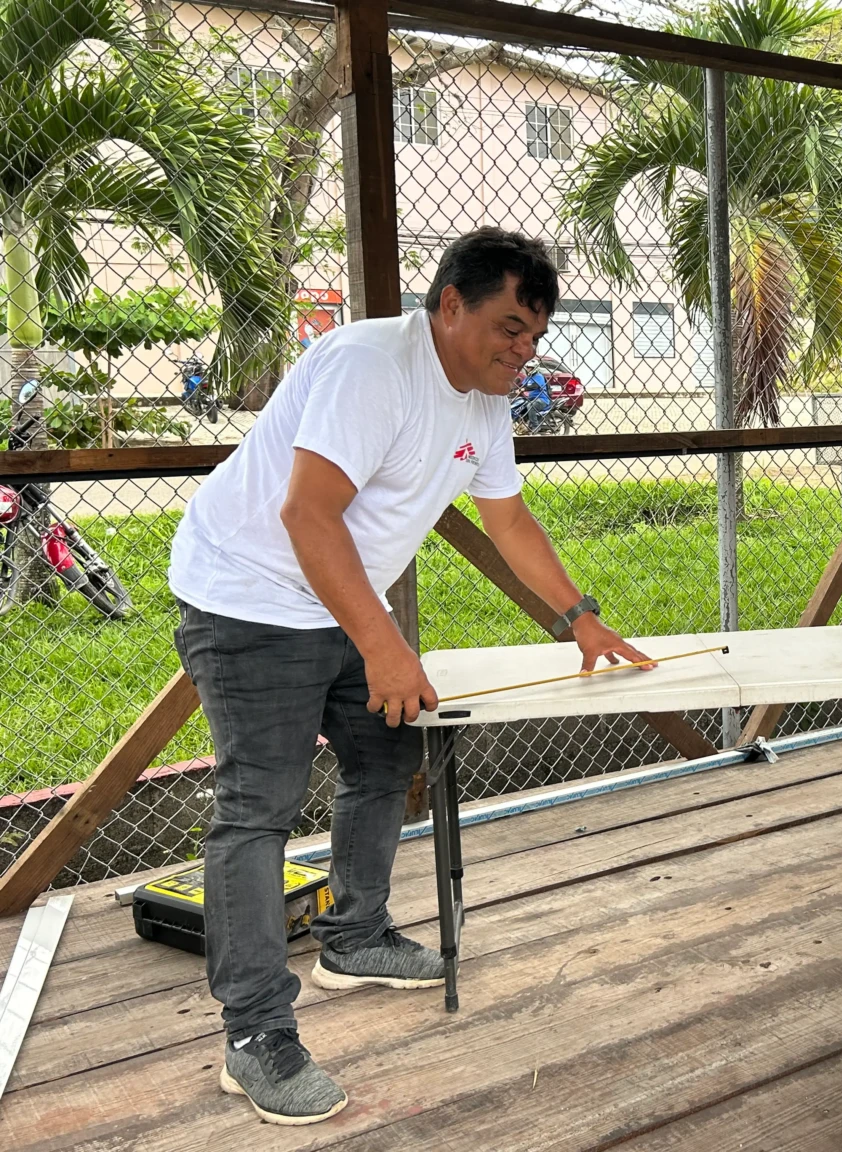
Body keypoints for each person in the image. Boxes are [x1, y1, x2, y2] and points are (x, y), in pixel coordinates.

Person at [167, 227, 652, 1126]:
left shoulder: (486, 397)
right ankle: (254, 1035)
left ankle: (353, 938)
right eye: (509, 327)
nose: (524, 351)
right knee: (258, 809)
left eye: (537, 335)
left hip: (341, 597)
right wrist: (386, 644)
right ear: (450, 305)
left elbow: (507, 521)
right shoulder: (371, 365)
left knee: (388, 756)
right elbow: (308, 515)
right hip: (250, 595)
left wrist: (578, 619)